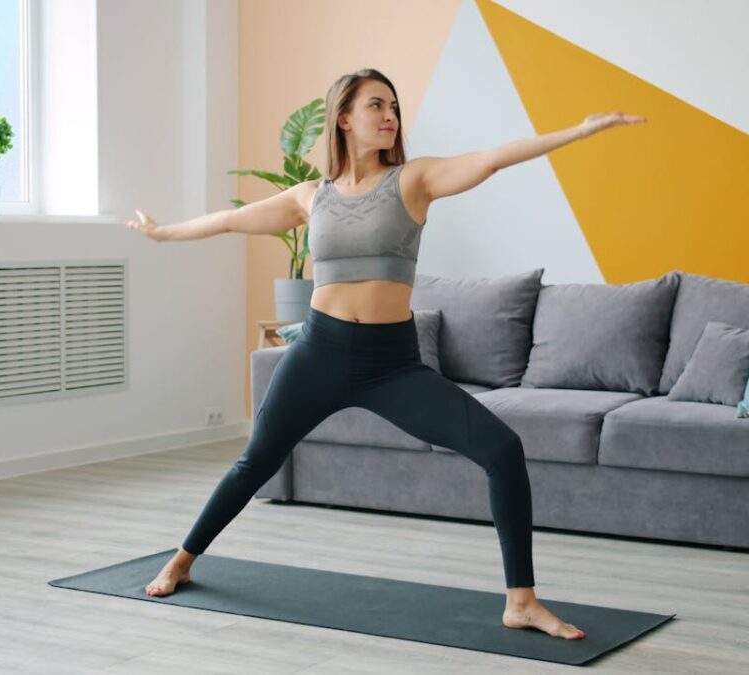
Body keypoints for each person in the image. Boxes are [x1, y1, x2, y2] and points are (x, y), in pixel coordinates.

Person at [125, 68, 645, 641]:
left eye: (394, 105)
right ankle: (182, 560)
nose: (390, 115)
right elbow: (229, 220)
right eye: (377, 104)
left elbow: (492, 159)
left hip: (391, 363)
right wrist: (162, 233)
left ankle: (521, 601)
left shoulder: (413, 181)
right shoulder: (310, 196)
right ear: (344, 118)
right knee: (255, 462)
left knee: (502, 448)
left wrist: (578, 131)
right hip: (318, 352)